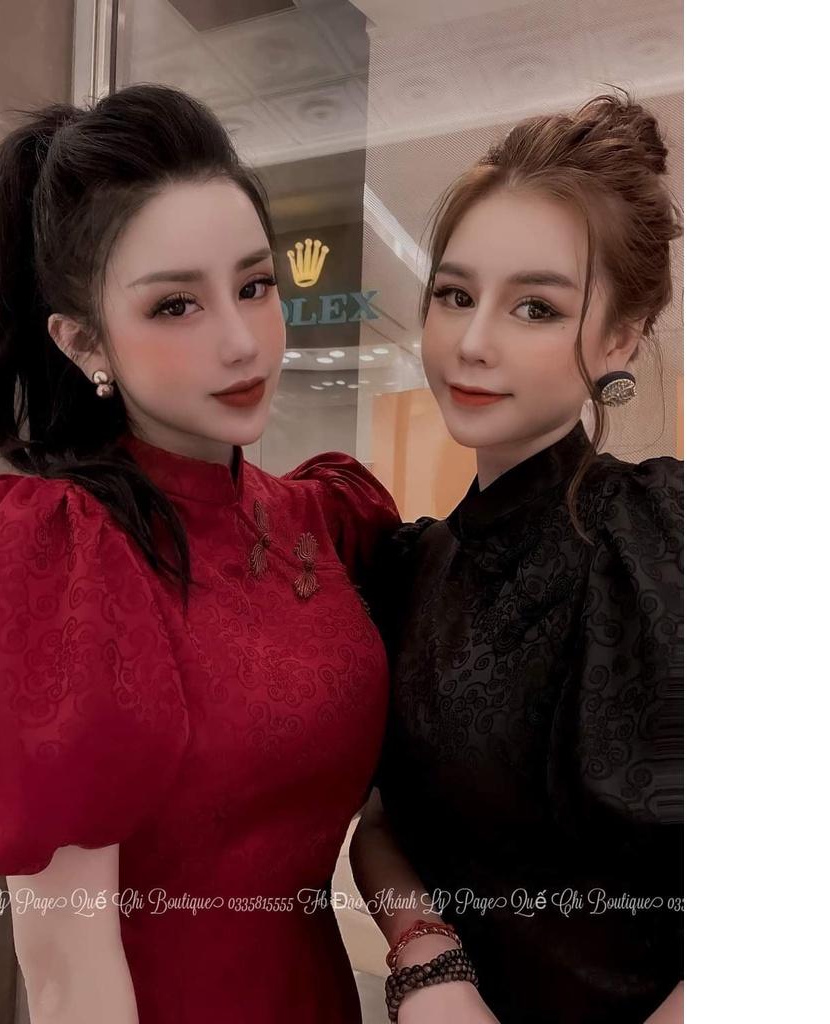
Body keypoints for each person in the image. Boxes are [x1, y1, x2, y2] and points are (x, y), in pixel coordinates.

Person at [0, 83, 399, 1024]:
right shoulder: (63, 555)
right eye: (175, 306)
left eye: (255, 286)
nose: (241, 342)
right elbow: (69, 974)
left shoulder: (326, 519)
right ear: (84, 342)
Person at [350, 92, 684, 1024]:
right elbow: (380, 826)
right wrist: (427, 957)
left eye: (535, 307)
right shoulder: (411, 567)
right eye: (455, 296)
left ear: (619, 338)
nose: (473, 342)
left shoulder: (668, 542)